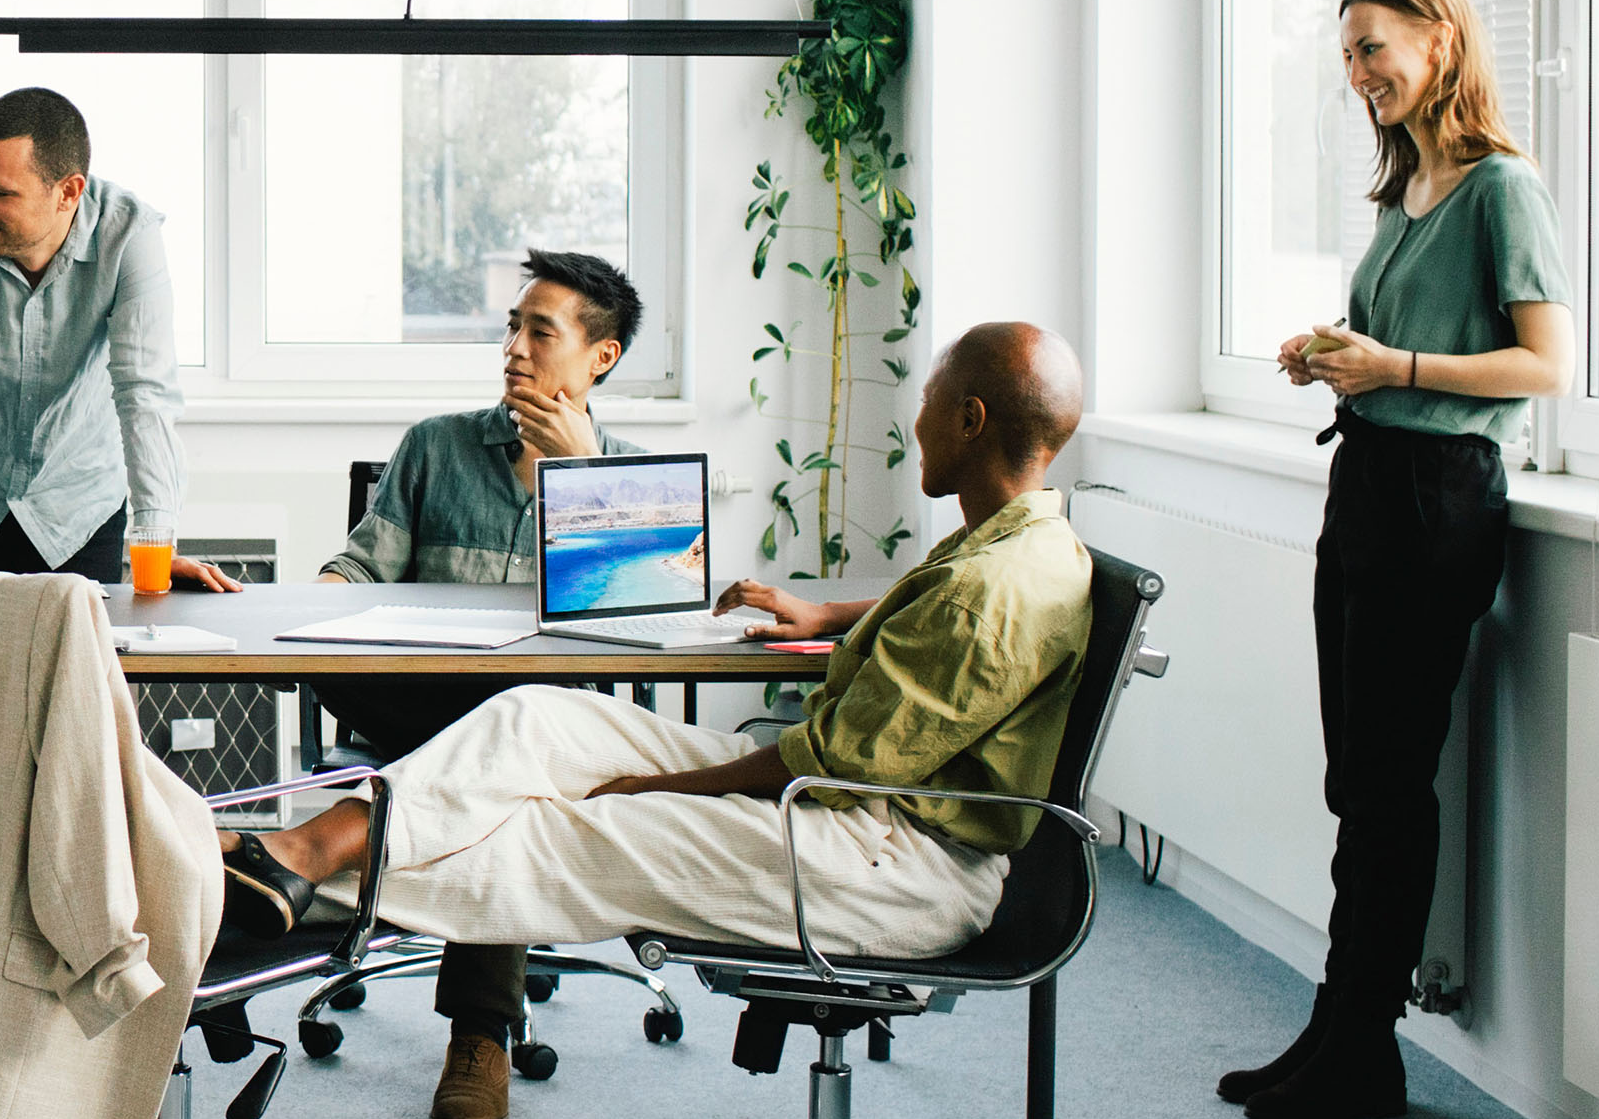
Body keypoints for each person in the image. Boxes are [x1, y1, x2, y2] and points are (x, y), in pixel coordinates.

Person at [221, 325, 1094, 988]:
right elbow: (940, 615)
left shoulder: (997, 586)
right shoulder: (1016, 544)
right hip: (859, 805)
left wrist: (656, 787)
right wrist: (829, 610)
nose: (915, 420)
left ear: (971, 420)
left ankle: (224, 883)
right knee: (542, 717)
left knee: (559, 827)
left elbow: (828, 760)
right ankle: (301, 851)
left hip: (890, 854)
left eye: (931, 401)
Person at [1237, 0, 1573, 1119]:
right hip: (1370, 478)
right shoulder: (1406, 189)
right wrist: (1335, 351)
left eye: (1374, 47)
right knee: (1355, 775)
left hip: (1441, 495)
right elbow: (1393, 344)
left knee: (1388, 783)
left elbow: (1544, 366)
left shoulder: (1499, 189)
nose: (1358, 73)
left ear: (1441, 40)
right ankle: (1340, 1026)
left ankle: (1363, 1043)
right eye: (1346, 56)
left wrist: (1397, 369)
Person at [313, 249, 654, 1119]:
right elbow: (361, 565)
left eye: (540, 331)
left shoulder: (638, 484)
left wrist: (574, 487)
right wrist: (315, 598)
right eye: (512, 325)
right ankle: (481, 1030)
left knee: (509, 753)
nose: (514, 348)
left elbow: (633, 624)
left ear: (599, 359)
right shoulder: (436, 445)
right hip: (418, 702)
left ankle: (478, 1031)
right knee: (492, 750)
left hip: (546, 725)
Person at [0, 85, 239, 592]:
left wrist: (156, 542)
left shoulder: (129, 235)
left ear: (68, 191)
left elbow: (144, 394)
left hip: (78, 514)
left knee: (74, 670)